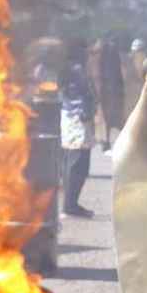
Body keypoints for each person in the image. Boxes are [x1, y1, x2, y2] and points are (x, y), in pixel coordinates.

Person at [59, 39, 96, 218]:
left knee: (73, 162)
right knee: (78, 164)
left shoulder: (70, 69)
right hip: (77, 120)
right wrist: (85, 113)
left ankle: (70, 203)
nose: (88, 54)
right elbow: (79, 96)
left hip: (71, 119)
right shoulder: (76, 70)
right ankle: (70, 205)